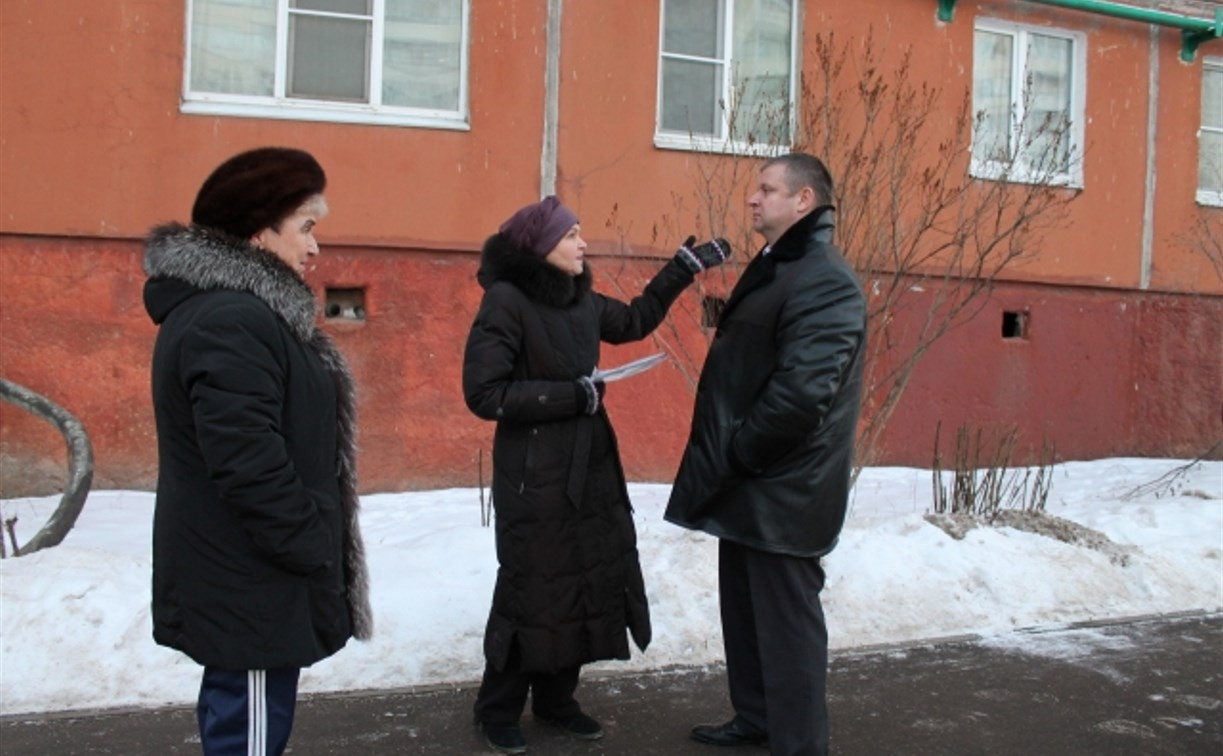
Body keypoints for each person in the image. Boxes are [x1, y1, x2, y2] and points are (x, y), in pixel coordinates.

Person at [462, 195, 728, 754]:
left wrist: (681, 270)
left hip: (589, 467)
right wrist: (570, 395)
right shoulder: (506, 302)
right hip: (532, 477)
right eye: (572, 235)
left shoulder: (580, 299)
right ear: (541, 246)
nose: (584, 244)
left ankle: (558, 702)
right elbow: (484, 394)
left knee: (582, 580)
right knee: (532, 588)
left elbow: (632, 320)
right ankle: (497, 710)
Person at [143, 147, 373, 756]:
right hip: (251, 585)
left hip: (250, 577)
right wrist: (309, 542)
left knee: (245, 724)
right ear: (257, 231)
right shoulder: (231, 320)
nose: (315, 247)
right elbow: (248, 464)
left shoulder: (241, 314)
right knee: (247, 734)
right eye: (305, 227)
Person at [664, 153, 867, 756]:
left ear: (804, 202)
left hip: (783, 485)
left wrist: (741, 450)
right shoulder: (783, 266)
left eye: (767, 189)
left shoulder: (824, 278)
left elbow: (803, 395)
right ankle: (757, 719)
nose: (753, 199)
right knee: (747, 616)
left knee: (787, 628)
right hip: (752, 481)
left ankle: (799, 744)